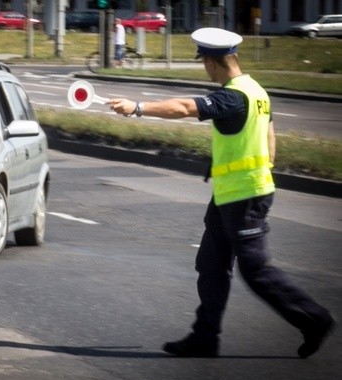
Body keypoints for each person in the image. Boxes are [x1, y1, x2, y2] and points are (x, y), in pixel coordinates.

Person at [107, 27, 334, 358]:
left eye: (204, 63)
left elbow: (186, 107)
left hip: (244, 197)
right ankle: (205, 337)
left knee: (256, 270)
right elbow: (270, 142)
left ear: (212, 63)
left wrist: (137, 107)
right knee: (211, 263)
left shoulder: (233, 95)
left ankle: (315, 319)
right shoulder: (257, 91)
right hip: (232, 194)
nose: (204, 68)